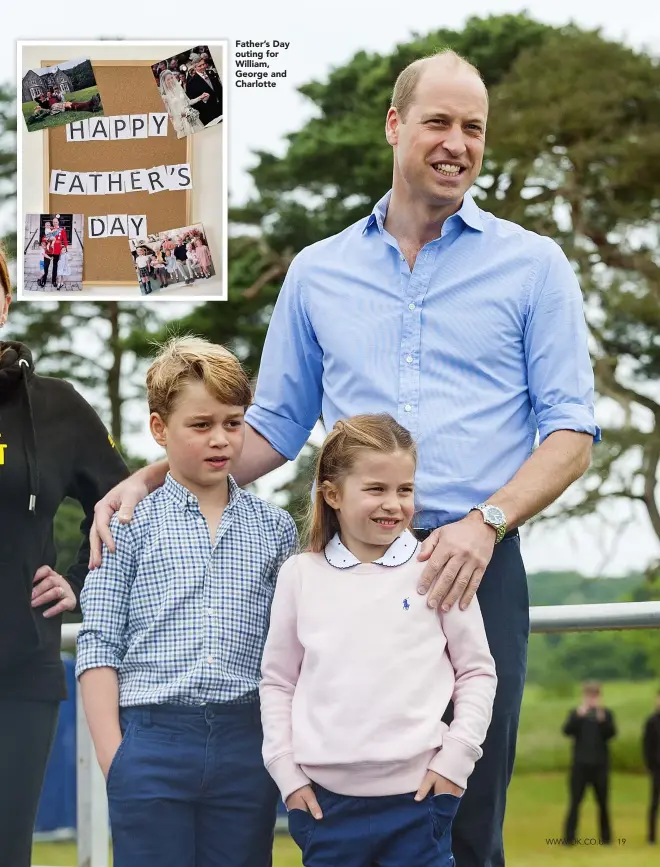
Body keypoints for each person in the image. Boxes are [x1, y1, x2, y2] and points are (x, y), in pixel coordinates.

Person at [90, 49, 600, 867]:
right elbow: (275, 429)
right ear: (395, 125)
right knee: (335, 814)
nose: (457, 142)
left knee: (466, 816)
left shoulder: (534, 265)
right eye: (438, 121)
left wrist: (485, 522)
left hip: (474, 563)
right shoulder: (318, 272)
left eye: (474, 128)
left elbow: (571, 434)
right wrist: (151, 477)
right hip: (340, 571)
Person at [76, 337, 298, 867]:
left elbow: (291, 651)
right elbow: (99, 643)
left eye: (233, 422)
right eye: (201, 425)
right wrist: (118, 761)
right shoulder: (126, 526)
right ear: (159, 429)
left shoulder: (275, 529)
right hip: (151, 742)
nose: (220, 438)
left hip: (247, 742)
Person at [261, 413, 497, 866]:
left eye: (404, 490)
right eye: (376, 489)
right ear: (332, 494)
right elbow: (278, 683)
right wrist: (286, 773)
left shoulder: (439, 566)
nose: (394, 504)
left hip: (420, 802)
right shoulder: (300, 575)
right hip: (325, 807)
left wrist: (456, 762)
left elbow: (476, 671)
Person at [0, 244, 128, 867]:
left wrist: (81, 581)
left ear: (5, 301)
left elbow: (127, 507)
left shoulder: (55, 407)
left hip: (17, 671)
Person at [562, 681, 616, 845]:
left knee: (603, 803)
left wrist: (602, 721)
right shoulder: (577, 714)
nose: (591, 699)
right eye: (589, 696)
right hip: (580, 766)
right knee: (575, 802)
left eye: (595, 696)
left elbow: (611, 734)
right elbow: (566, 731)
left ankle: (606, 839)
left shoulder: (606, 714)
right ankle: (569, 838)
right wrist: (579, 716)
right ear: (584, 697)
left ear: (599, 697)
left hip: (600, 766)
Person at [159, 68, 206, 138]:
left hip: (190, 116)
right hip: (181, 122)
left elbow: (189, 102)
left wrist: (200, 97)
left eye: (172, 78)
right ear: (164, 82)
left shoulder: (180, 89)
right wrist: (180, 114)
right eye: (168, 79)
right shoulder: (164, 97)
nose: (171, 80)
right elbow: (169, 114)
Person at [185, 54, 222, 127]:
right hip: (209, 112)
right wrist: (204, 100)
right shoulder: (191, 83)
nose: (203, 67)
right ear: (195, 68)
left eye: (204, 64)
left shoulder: (211, 73)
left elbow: (220, 89)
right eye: (200, 66)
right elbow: (193, 102)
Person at [643, 689, 660, 844]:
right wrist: (650, 765)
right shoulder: (651, 721)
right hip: (657, 768)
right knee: (654, 802)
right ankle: (651, 836)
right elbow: (647, 745)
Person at [38, 215, 68, 289]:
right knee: (46, 266)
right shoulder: (49, 229)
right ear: (52, 222)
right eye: (53, 222)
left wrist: (65, 248)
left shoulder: (62, 230)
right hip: (48, 251)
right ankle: (44, 280)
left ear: (58, 222)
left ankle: (54, 281)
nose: (55, 223)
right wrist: (46, 241)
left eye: (56, 222)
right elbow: (43, 238)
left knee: (55, 267)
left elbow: (65, 240)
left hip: (57, 251)